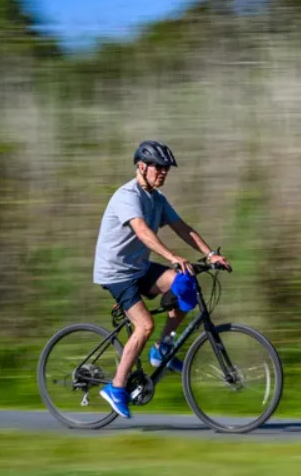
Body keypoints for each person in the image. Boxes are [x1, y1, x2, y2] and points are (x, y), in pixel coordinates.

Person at [92, 139, 230, 419]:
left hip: (139, 267)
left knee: (184, 284)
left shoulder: (157, 199)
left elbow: (182, 228)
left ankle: (162, 348)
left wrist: (210, 254)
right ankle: (116, 387)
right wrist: (172, 257)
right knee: (144, 325)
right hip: (116, 273)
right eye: (159, 167)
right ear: (141, 167)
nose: (163, 172)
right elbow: (142, 231)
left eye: (166, 169)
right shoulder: (127, 196)